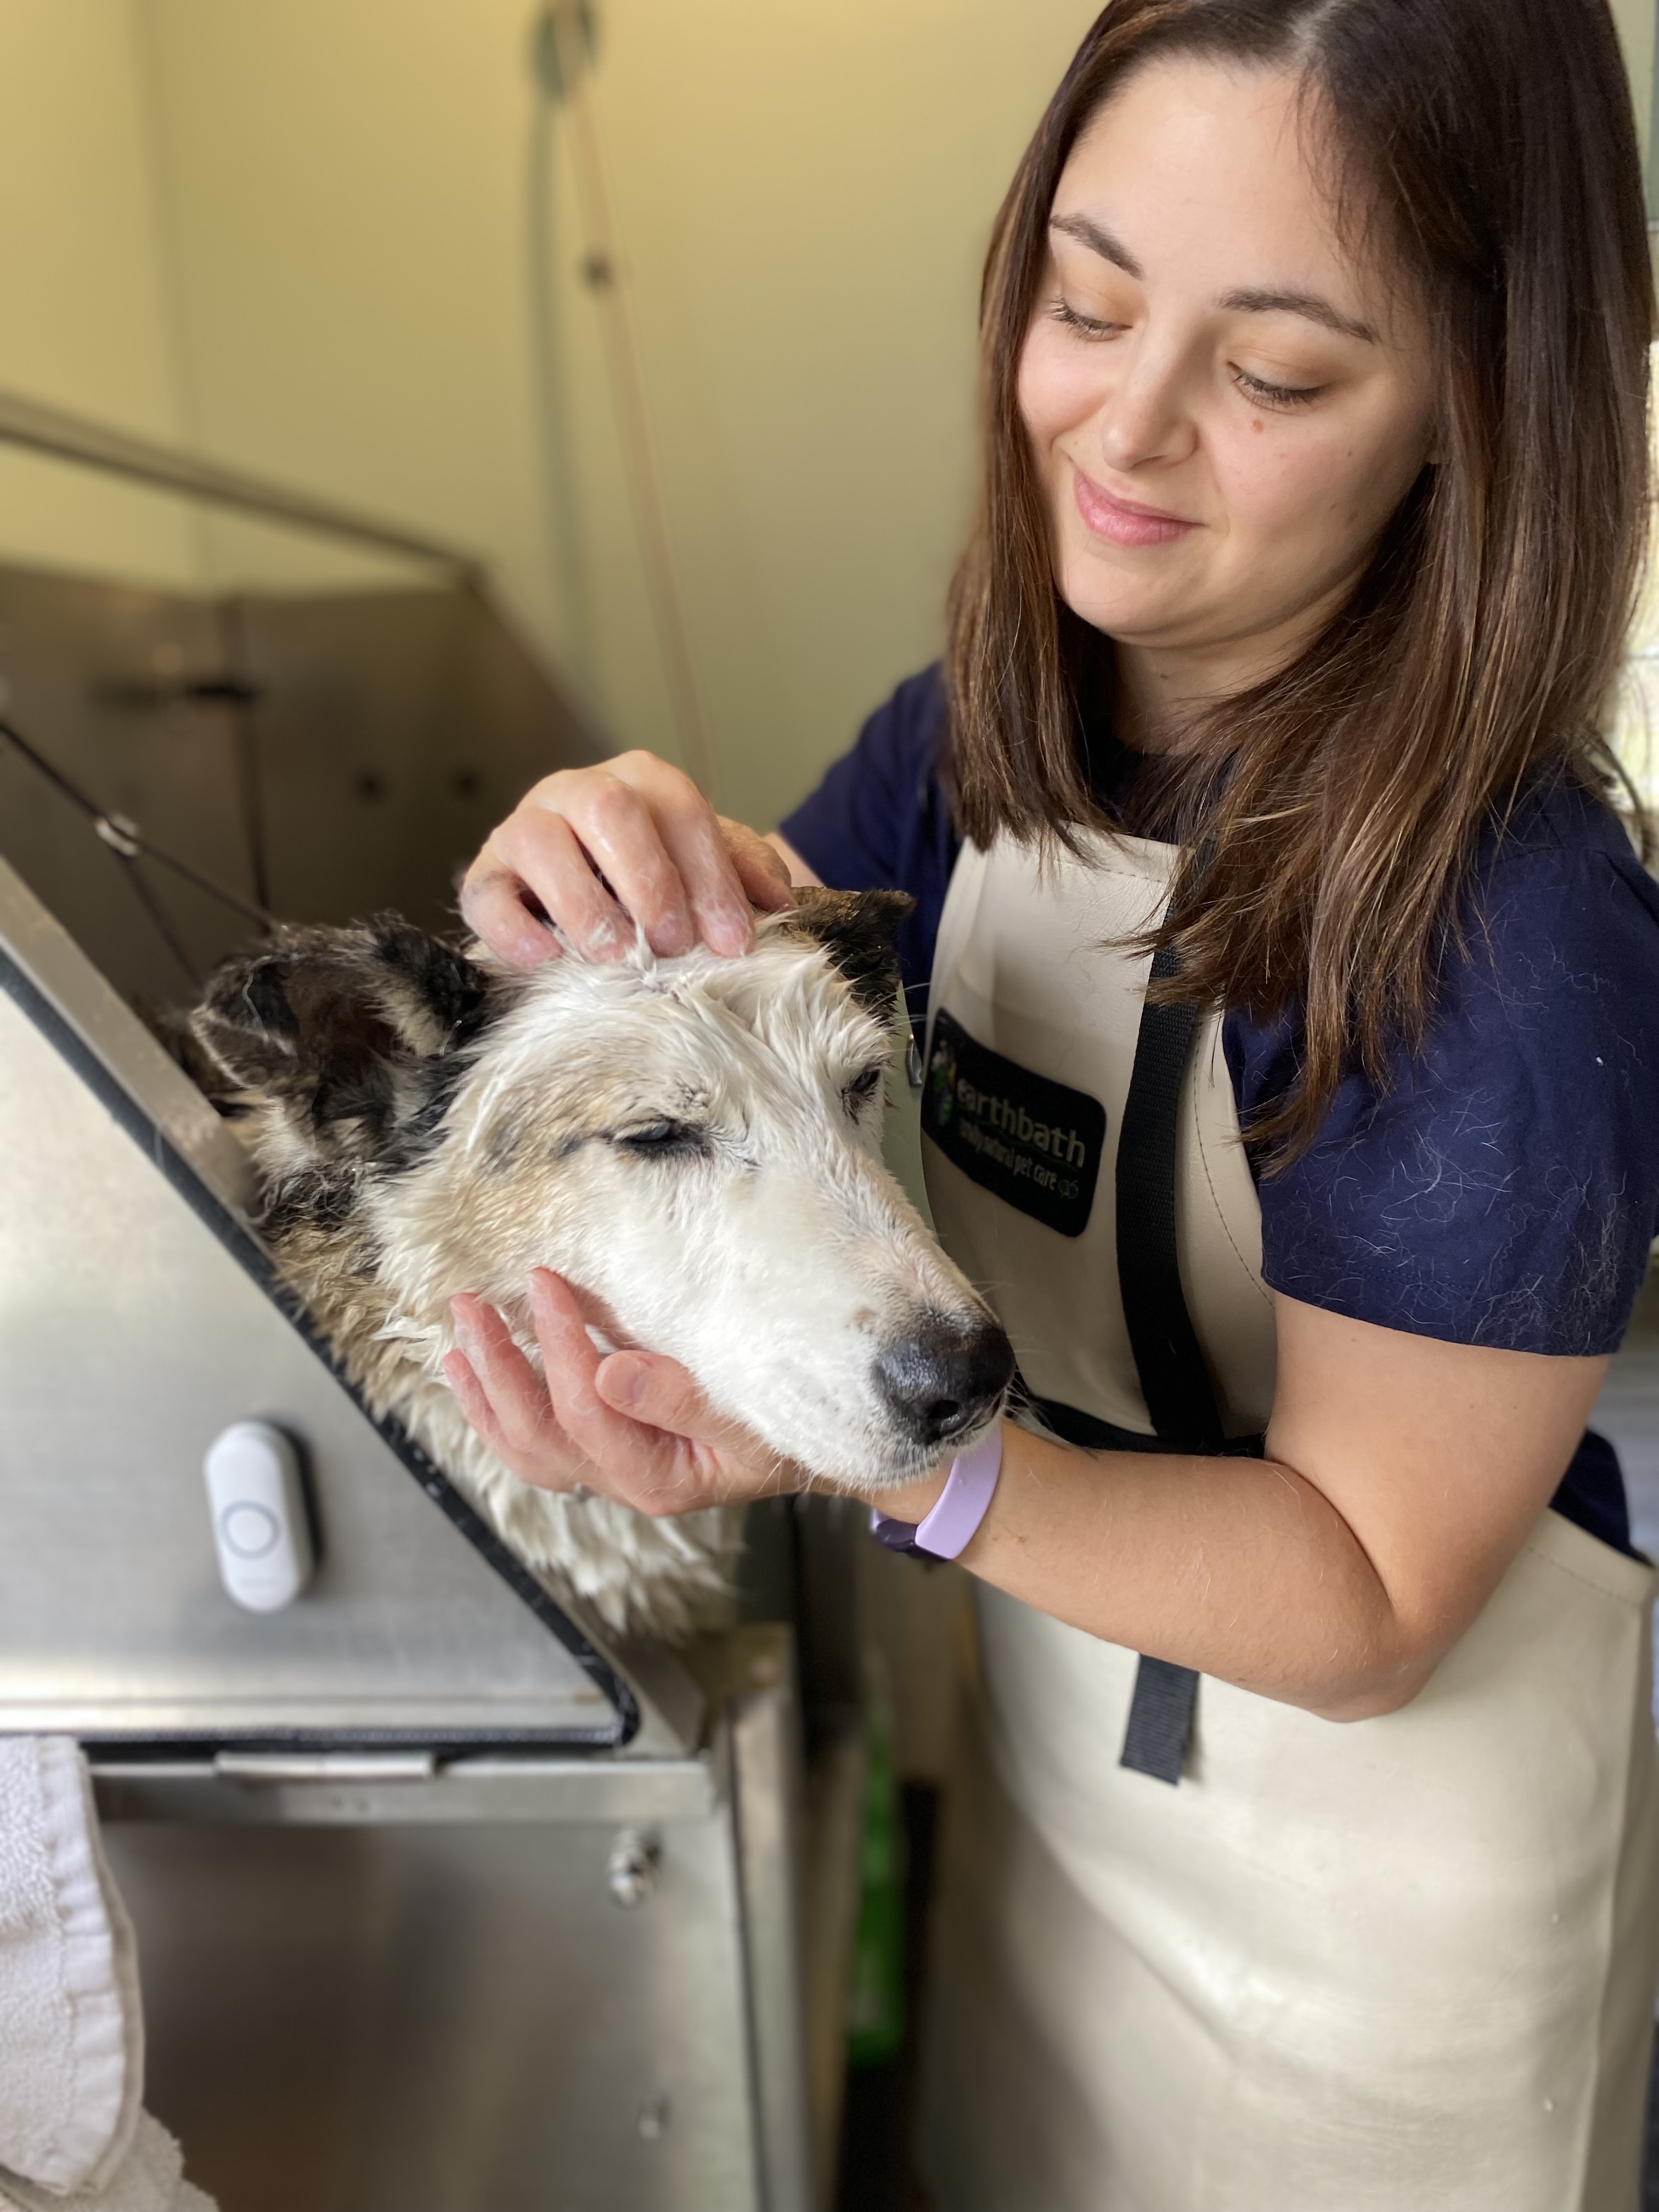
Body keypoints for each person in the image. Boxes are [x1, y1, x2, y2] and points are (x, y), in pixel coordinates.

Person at [447, 1, 1659, 2202]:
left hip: (1385, 1925)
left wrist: (873, 1473)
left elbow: (1374, 1598)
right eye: (1085, 301)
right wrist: (584, 871)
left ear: (1474, 416)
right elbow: (732, 1037)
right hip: (1060, 1797)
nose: (1125, 425)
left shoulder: (1510, 926)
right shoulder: (985, 740)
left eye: (1275, 372)